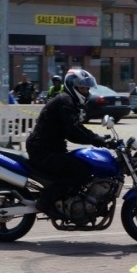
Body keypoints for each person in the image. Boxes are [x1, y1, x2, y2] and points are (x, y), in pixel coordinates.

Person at [26, 69, 111, 219]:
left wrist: (97, 139)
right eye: (82, 88)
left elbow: (72, 132)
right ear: (73, 86)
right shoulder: (65, 101)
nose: (86, 91)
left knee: (79, 163)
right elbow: (74, 129)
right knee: (80, 170)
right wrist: (97, 139)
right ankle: (45, 202)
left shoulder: (68, 101)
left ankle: (70, 200)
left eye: (87, 88)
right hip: (42, 150)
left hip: (49, 148)